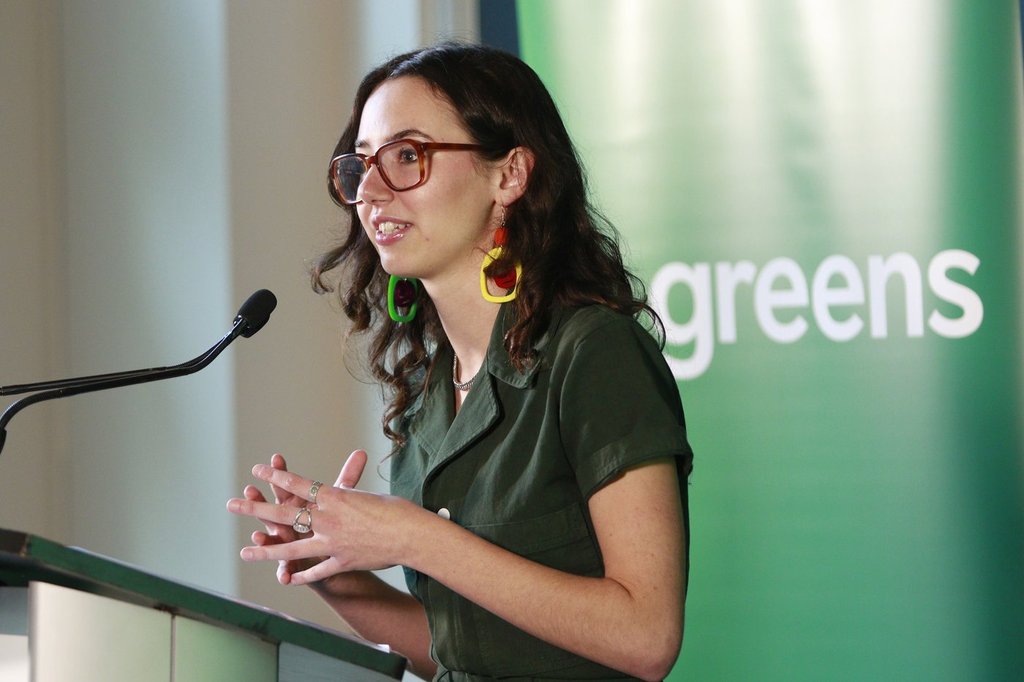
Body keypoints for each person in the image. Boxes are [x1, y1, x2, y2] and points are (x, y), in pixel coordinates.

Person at [227, 42, 694, 682]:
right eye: (360, 166)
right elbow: (461, 651)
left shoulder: (593, 352)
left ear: (509, 175)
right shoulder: (429, 389)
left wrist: (413, 538)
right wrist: (333, 569)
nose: (370, 191)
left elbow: (647, 636)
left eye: (407, 156)